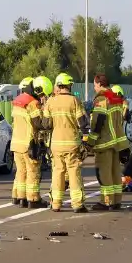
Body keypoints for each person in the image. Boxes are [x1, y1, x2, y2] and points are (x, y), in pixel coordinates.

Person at [44, 73, 88, 213]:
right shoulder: (75, 101)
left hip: (56, 145)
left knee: (58, 173)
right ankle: (77, 204)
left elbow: (46, 124)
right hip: (72, 144)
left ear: (58, 85)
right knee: (74, 173)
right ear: (69, 85)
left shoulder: (50, 102)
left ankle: (56, 203)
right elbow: (83, 123)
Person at [87, 75, 129, 210]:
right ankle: (116, 201)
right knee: (115, 172)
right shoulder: (116, 99)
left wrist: (90, 142)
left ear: (99, 84)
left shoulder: (101, 99)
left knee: (103, 173)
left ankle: (106, 201)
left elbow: (98, 122)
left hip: (104, 142)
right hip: (117, 142)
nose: (94, 87)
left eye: (94, 84)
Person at [10, 75, 48, 208]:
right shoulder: (33, 103)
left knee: (21, 171)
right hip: (29, 143)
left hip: (16, 143)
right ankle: (33, 199)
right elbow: (38, 123)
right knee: (33, 171)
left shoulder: (16, 102)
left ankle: (20, 197)